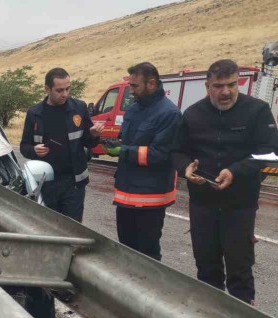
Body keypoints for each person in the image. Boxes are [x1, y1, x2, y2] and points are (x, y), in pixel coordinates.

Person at [172, 59, 278, 304]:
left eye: (232, 84)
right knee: (206, 265)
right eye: (218, 86)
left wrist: (236, 171)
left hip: (240, 205)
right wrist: (185, 167)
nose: (226, 91)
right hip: (202, 204)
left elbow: (270, 151)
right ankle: (210, 317)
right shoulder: (193, 114)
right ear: (207, 85)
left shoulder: (258, 111)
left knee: (240, 267)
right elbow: (177, 151)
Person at [108, 62, 180, 260]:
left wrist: (124, 151)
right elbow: (128, 141)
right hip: (126, 192)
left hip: (151, 196)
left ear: (151, 84)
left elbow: (160, 155)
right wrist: (115, 144)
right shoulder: (133, 110)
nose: (131, 91)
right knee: (126, 248)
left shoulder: (169, 113)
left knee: (147, 253)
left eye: (134, 86)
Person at [20, 67, 104, 222]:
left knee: (73, 229)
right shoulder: (35, 113)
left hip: (74, 183)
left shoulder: (79, 108)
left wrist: (93, 135)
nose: (65, 94)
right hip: (46, 183)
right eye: (59, 90)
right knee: (50, 227)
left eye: (67, 88)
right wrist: (33, 150)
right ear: (47, 89)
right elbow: (24, 147)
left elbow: (87, 142)